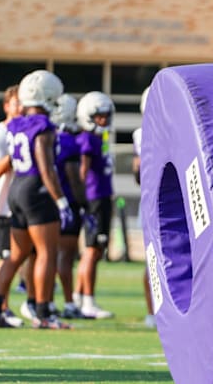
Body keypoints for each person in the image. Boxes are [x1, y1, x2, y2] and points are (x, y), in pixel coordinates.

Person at [0, 69, 73, 329]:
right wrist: (61, 200)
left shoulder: (16, 123)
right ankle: (43, 313)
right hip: (36, 190)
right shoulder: (43, 128)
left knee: (16, 255)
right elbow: (46, 167)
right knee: (47, 252)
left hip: (17, 188)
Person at [73, 91, 115, 319]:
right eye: (99, 116)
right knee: (91, 250)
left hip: (101, 196)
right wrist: (83, 200)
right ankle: (87, 301)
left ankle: (80, 297)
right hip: (94, 198)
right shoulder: (88, 139)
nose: (104, 120)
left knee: (96, 250)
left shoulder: (101, 138)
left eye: (106, 115)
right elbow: (83, 170)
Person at [51, 93, 88, 319]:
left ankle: (40, 301)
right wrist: (84, 204)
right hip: (68, 203)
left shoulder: (49, 136)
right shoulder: (69, 142)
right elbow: (74, 178)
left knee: (44, 255)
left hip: (49, 200)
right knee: (65, 255)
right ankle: (68, 302)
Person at [0, 85, 23, 327]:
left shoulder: (24, 131)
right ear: (7, 106)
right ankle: (1, 308)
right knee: (6, 258)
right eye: (16, 103)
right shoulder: (1, 133)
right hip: (1, 206)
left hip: (17, 206)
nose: (21, 108)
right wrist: (16, 155)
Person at [133, 86, 156, 328]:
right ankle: (154, 312)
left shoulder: (140, 133)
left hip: (150, 201)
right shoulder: (144, 134)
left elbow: (136, 172)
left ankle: (153, 313)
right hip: (158, 203)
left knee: (154, 260)